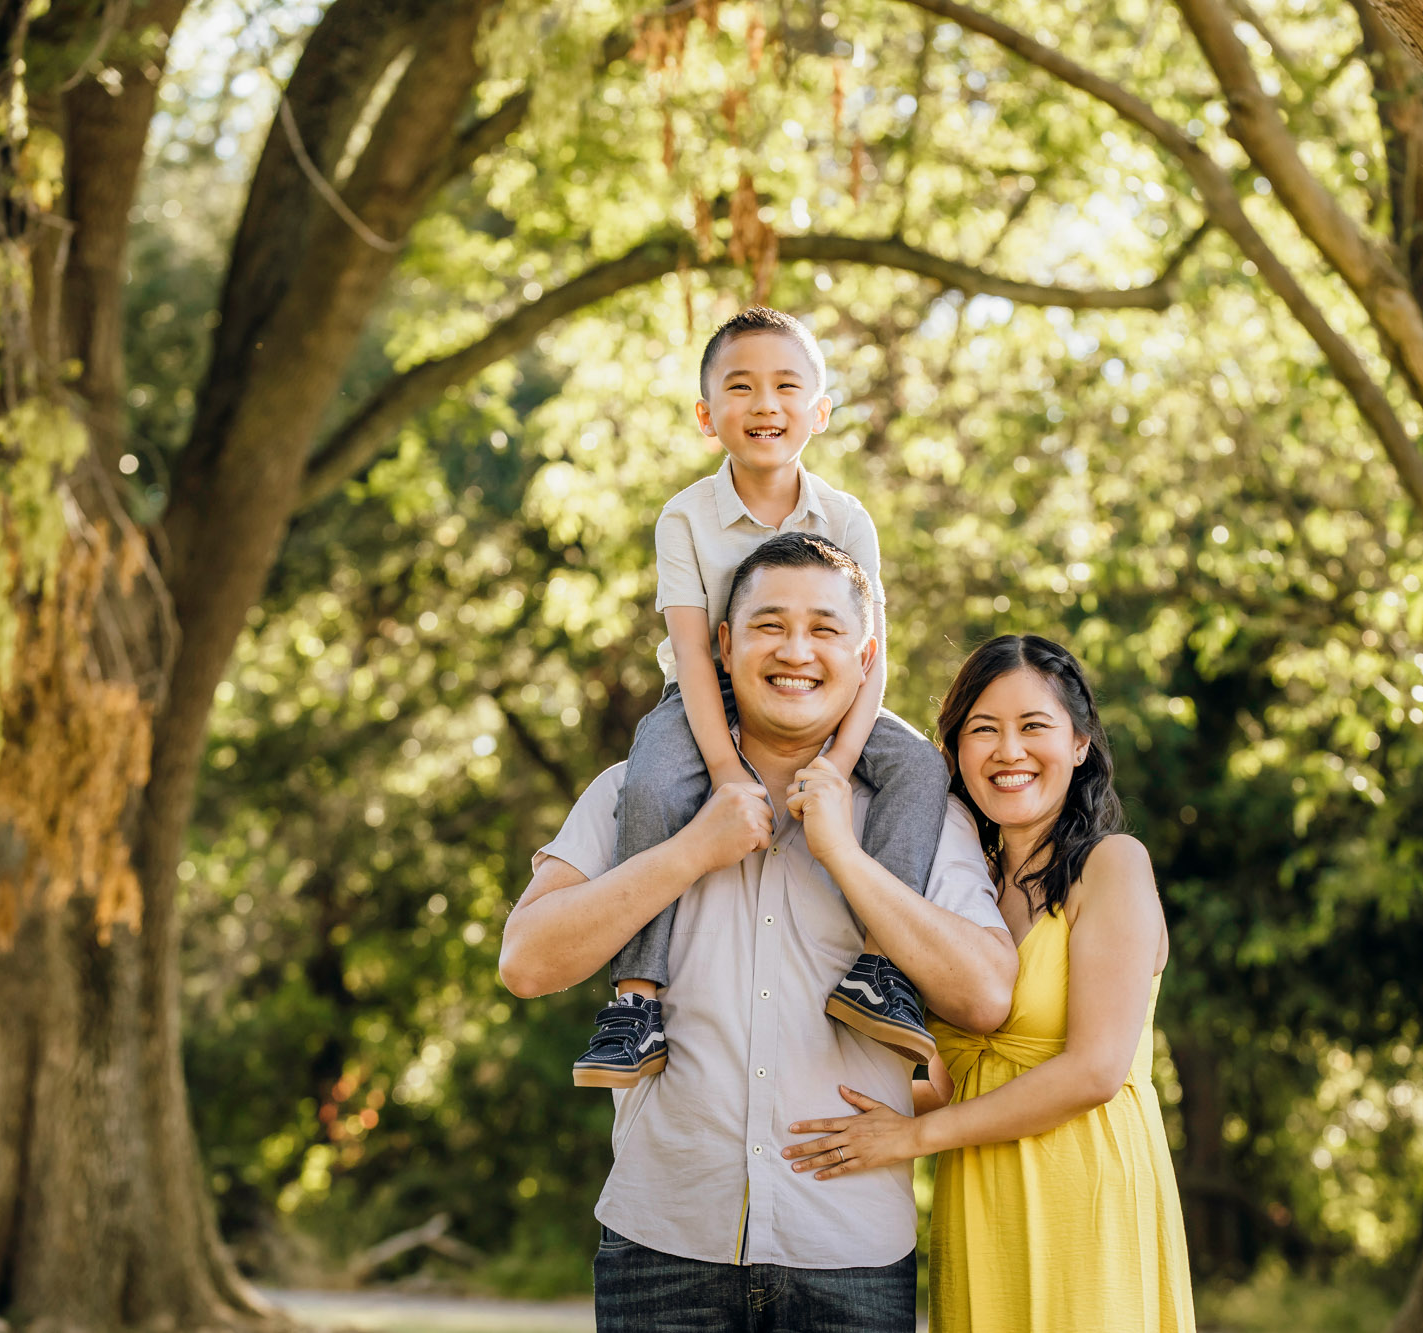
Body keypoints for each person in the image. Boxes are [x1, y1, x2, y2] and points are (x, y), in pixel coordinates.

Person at [498, 533, 1019, 1333]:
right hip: (662, 1240)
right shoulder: (639, 791)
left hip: (849, 1250)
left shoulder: (923, 814)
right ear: (723, 645)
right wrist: (688, 851)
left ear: (865, 654)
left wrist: (844, 853)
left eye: (823, 628)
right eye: (770, 624)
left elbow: (985, 994)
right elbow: (526, 961)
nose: (796, 651)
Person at [571, 307, 952, 1089]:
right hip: (707, 697)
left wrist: (840, 763)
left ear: (820, 410)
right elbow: (689, 650)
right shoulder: (685, 517)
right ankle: (636, 1001)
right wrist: (725, 767)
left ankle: (880, 972)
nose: (765, 404)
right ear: (709, 416)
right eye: (741, 387)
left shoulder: (846, 517)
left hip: (830, 702)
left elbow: (871, 656)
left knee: (920, 767)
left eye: (786, 385)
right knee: (649, 781)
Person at [782, 634, 1197, 1332]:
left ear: (1080, 744)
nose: (1008, 751)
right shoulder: (961, 892)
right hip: (981, 1208)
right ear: (954, 752)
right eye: (983, 730)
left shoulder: (1114, 865)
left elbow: (1095, 1068)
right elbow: (950, 1079)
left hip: (1085, 1202)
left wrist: (914, 1139)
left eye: (1034, 726)